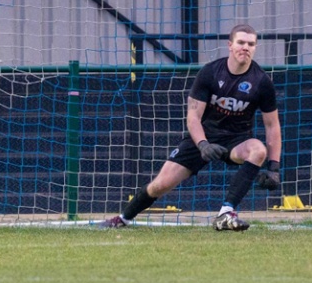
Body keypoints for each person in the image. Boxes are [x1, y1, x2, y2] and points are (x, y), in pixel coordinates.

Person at [100, 24, 282, 231]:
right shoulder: (210, 72)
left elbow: (272, 125)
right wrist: (203, 145)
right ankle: (123, 218)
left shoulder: (262, 81)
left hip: (236, 140)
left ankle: (226, 212)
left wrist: (274, 168)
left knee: (258, 150)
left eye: (251, 44)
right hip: (202, 138)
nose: (245, 48)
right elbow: (193, 117)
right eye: (241, 42)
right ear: (230, 45)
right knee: (161, 184)